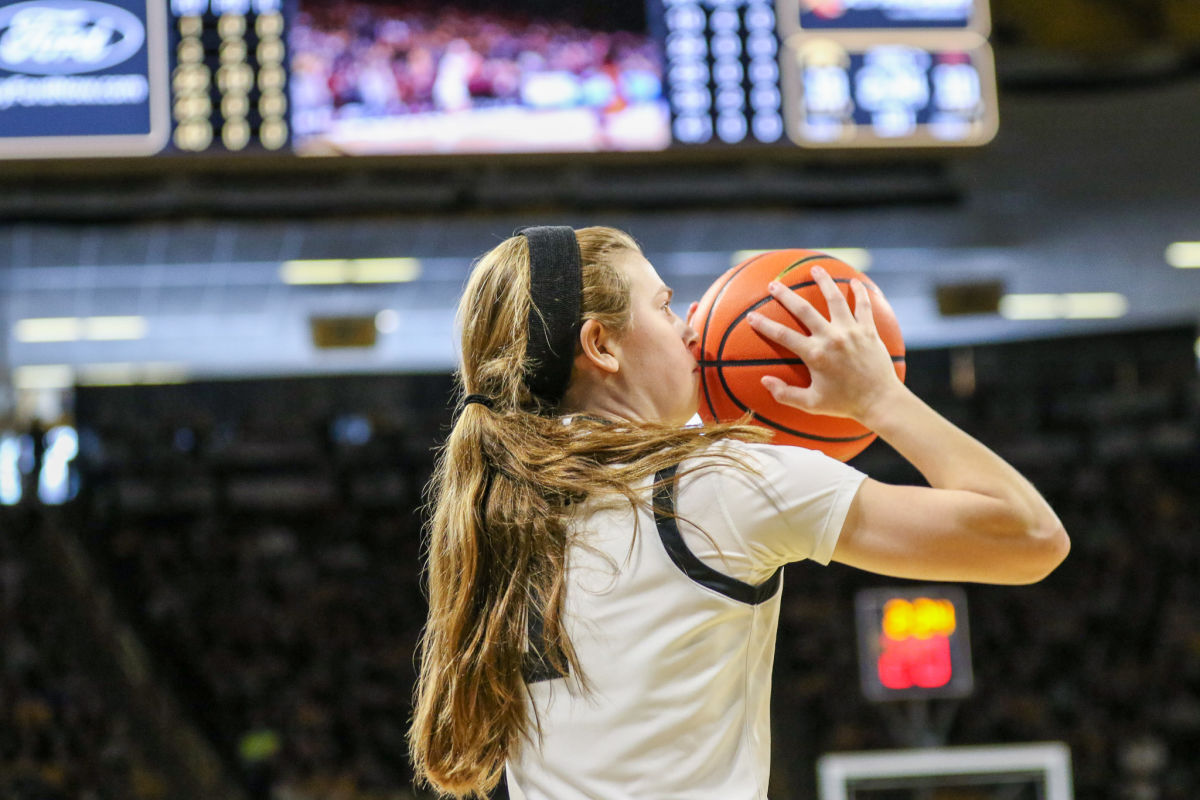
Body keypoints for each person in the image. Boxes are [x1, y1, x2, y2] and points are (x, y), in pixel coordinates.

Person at [409, 225, 1069, 799]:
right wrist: (879, 398)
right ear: (603, 346)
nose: (691, 325)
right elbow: (1031, 537)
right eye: (665, 308)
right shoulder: (714, 487)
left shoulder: (504, 503)